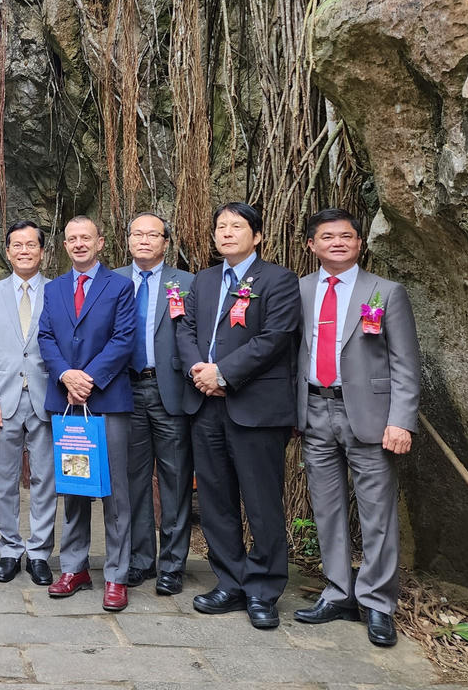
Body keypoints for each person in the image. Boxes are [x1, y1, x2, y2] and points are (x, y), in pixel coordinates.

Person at [293, 208, 420, 647]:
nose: (338, 242)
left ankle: (378, 602)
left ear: (359, 243)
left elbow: (406, 363)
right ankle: (337, 593)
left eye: (346, 236)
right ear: (312, 245)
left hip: (369, 415)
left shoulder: (385, 291)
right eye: (328, 236)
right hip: (314, 409)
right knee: (326, 508)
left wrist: (401, 421)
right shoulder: (301, 289)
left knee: (377, 512)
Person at [177, 202, 300, 629]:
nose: (227, 233)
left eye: (237, 226)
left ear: (257, 235)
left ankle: (263, 589)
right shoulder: (204, 280)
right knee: (216, 500)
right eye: (221, 227)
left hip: (255, 408)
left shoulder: (279, 280)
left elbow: (275, 338)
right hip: (205, 405)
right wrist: (198, 370)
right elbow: (185, 329)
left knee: (262, 503)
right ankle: (230, 581)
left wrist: (224, 374)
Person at [37, 215, 139, 611]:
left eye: (86, 237)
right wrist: (66, 375)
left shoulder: (120, 286)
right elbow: (46, 336)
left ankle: (116, 575)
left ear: (100, 243)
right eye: (72, 238)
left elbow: (124, 338)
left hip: (107, 398)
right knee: (74, 484)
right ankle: (74, 568)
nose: (79, 244)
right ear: (64, 245)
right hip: (66, 401)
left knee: (115, 491)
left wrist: (89, 379)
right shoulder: (54, 289)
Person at [113, 213, 195, 597]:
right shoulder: (112, 281)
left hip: (170, 391)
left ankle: (172, 564)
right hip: (124, 391)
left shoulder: (187, 283)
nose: (144, 240)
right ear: (128, 239)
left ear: (166, 242)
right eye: (138, 234)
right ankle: (140, 558)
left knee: (175, 479)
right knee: (133, 480)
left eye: (153, 234)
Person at [0, 219, 56, 588]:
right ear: (7, 251)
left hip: (46, 398)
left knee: (45, 479)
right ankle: (9, 549)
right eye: (17, 245)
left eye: (31, 245)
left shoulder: (57, 290)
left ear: (42, 251)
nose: (24, 251)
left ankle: (39, 553)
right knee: (6, 480)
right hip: (3, 400)